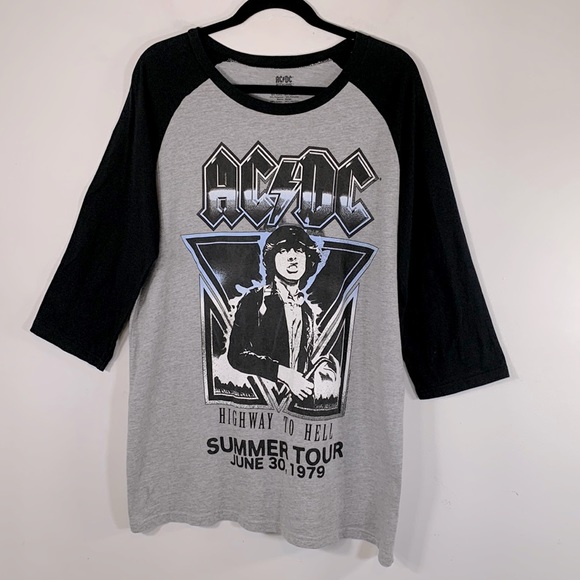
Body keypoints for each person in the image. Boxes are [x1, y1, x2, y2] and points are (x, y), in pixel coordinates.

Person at [227, 225, 336, 404]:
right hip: (255, 400)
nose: (292, 257)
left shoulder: (306, 311)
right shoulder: (255, 299)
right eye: (283, 250)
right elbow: (236, 355)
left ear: (308, 258)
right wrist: (285, 375)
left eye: (299, 250)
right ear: (272, 258)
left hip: (293, 405)